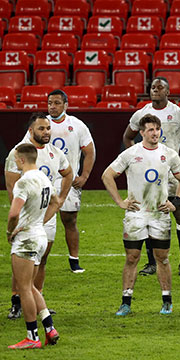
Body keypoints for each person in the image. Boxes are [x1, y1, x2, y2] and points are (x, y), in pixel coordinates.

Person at [123, 77, 180, 276]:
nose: (155, 90)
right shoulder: (142, 113)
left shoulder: (178, 113)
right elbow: (127, 137)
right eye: (153, 87)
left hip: (171, 175)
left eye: (160, 87)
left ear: (167, 92)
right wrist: (136, 157)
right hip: (147, 174)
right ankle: (152, 263)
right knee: (149, 213)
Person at [104, 114, 180, 316]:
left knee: (163, 257)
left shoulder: (168, 154)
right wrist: (120, 201)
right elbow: (107, 175)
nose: (155, 133)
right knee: (132, 257)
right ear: (141, 132)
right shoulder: (131, 153)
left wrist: (175, 201)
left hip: (159, 215)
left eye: (157, 129)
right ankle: (126, 302)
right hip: (136, 214)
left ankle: (167, 300)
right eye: (150, 130)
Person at [5, 113, 73, 320]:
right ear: (30, 130)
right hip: (27, 217)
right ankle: (17, 302)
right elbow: (11, 185)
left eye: (48, 128)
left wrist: (60, 199)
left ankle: (38, 298)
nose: (46, 132)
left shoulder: (55, 152)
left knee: (41, 259)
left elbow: (68, 173)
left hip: (46, 216)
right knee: (23, 260)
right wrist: (22, 215)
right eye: (41, 128)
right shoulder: (19, 153)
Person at [21, 90, 95, 273]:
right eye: (49, 103)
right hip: (43, 181)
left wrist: (84, 176)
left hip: (67, 180)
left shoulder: (77, 125)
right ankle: (36, 259)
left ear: (65, 105)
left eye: (56, 103)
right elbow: (24, 150)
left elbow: (90, 151)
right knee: (41, 220)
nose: (52, 107)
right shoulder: (40, 124)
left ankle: (74, 260)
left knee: (69, 219)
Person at [6, 144, 61, 349]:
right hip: (40, 236)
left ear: (20, 160)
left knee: (23, 288)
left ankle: (32, 337)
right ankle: (49, 328)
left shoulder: (23, 182)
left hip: (27, 238)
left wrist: (10, 231)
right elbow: (56, 202)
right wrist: (41, 222)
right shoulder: (44, 177)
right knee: (30, 285)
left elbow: (13, 213)